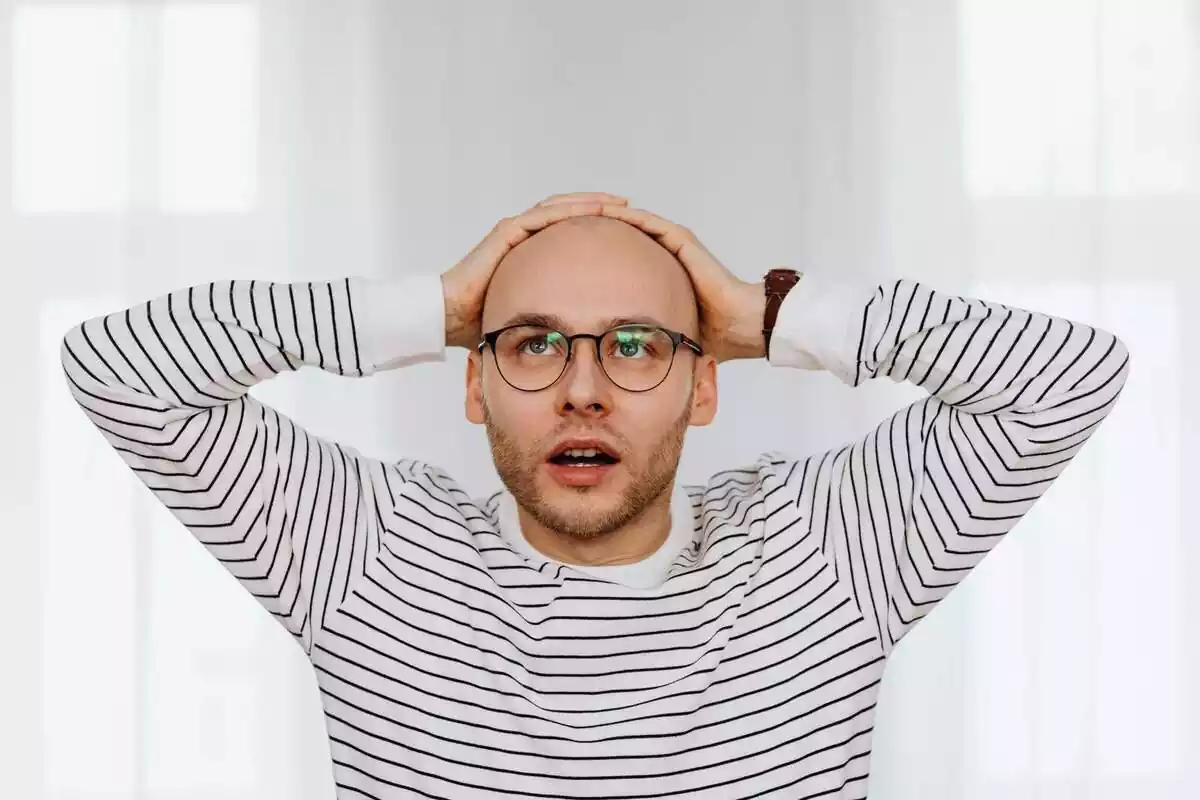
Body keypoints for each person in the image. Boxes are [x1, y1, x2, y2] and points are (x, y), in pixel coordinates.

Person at [61, 191, 1130, 799]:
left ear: (705, 381)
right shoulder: (369, 550)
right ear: (473, 382)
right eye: (531, 343)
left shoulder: (825, 548)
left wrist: (767, 314)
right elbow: (117, 368)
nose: (582, 388)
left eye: (635, 344)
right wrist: (432, 305)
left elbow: (1070, 377)